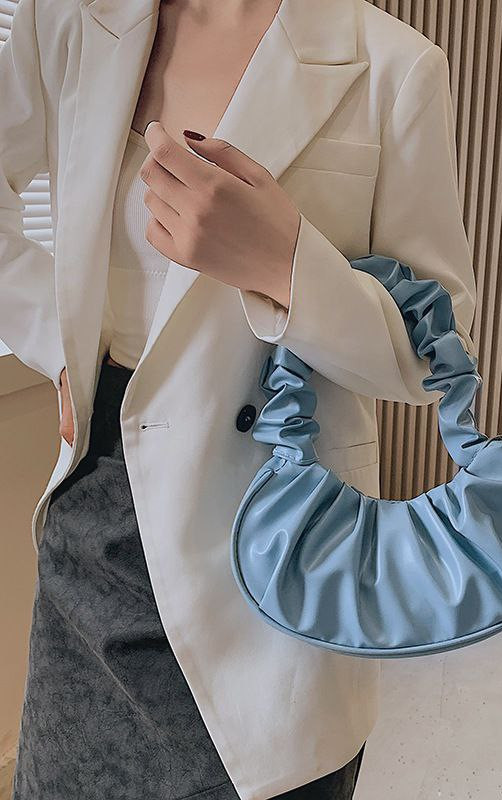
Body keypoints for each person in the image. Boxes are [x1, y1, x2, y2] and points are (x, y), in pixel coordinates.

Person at [0, 0, 477, 797]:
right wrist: (60, 343)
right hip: (93, 531)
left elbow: (436, 351)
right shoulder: (69, 19)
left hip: (277, 547)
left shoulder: (393, 65)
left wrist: (285, 265)